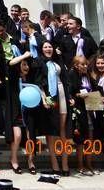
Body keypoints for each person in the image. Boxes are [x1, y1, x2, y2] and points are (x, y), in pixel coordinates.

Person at [33, 40, 70, 176]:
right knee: (51, 131)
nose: (48, 49)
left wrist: (70, 96)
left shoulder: (58, 60)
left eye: (50, 46)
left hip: (61, 93)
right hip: (48, 95)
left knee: (62, 130)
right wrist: (44, 99)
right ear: (41, 49)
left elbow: (65, 79)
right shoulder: (38, 62)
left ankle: (65, 165)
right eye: (45, 47)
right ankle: (55, 165)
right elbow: (38, 82)